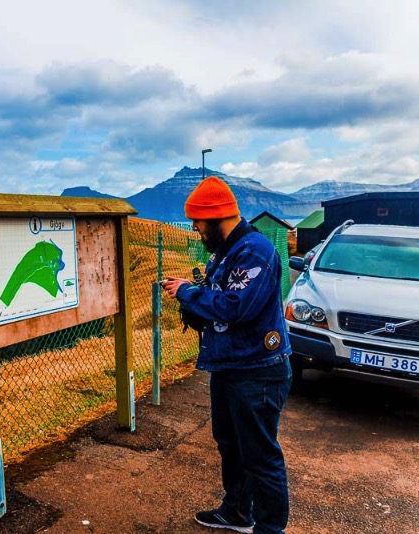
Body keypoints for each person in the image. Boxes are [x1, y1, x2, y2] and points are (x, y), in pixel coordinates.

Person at [161, 176, 292, 534]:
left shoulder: (256, 252)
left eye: (198, 222)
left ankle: (269, 529)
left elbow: (237, 307)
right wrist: (193, 296)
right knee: (231, 446)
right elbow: (219, 299)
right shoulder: (226, 252)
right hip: (231, 366)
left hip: (258, 371)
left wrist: (189, 293)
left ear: (217, 217)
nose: (195, 229)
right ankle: (236, 512)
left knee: (261, 456)